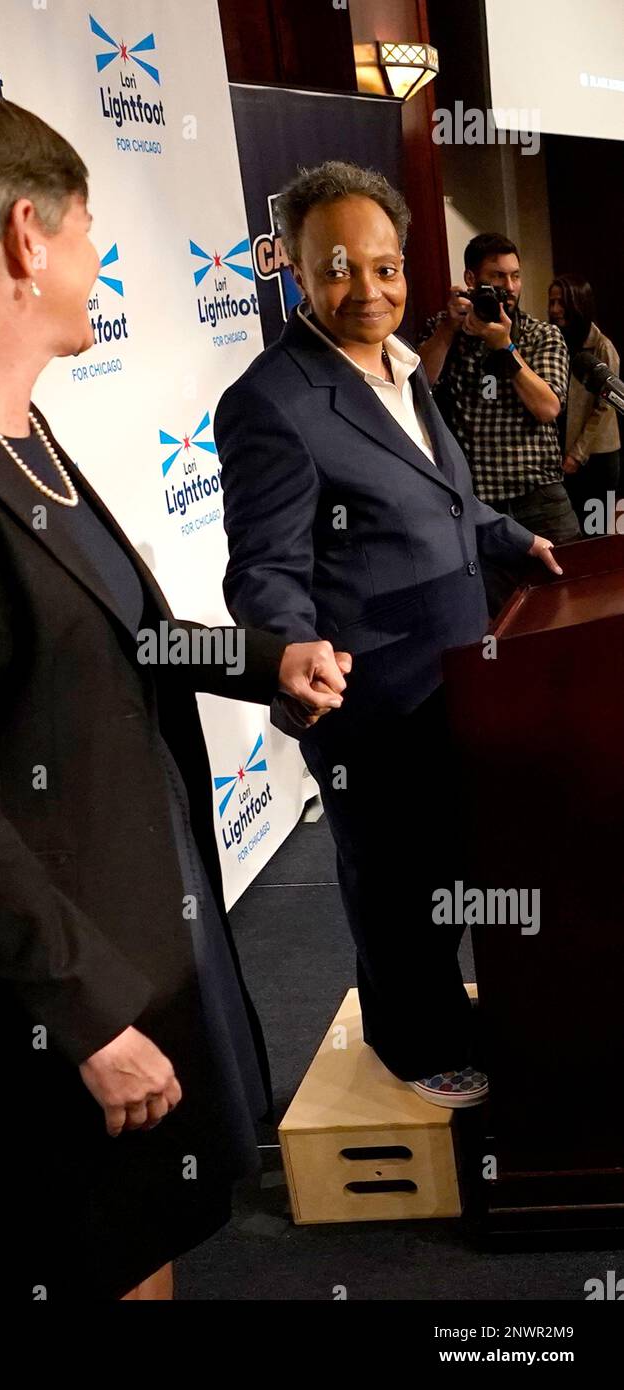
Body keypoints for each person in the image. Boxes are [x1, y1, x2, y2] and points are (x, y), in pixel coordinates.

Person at [0, 89, 348, 1302]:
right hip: (44, 997)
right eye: (90, 232)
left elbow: (123, 637)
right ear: (28, 240)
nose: (99, 265)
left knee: (143, 1248)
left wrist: (262, 662)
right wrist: (83, 1017)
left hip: (133, 928)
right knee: (89, 1266)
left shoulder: (7, 426)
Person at [214, 161, 561, 1109]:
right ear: (290, 267)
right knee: (399, 886)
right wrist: (286, 644)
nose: (368, 291)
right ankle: (412, 1043)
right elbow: (265, 566)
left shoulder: (403, 366)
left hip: (457, 676)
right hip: (369, 701)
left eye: (386, 267)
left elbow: (444, 501)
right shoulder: (272, 400)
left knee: (450, 863)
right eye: (338, 270)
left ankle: (442, 1012)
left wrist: (510, 535)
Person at [418, 232, 580, 615]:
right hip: (480, 505)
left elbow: (547, 408)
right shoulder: (445, 330)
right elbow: (416, 386)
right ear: (471, 280)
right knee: (494, 619)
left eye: (516, 276)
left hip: (541, 497)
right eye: (498, 276)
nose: (509, 287)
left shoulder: (542, 334)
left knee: (570, 604)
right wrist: (447, 329)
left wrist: (504, 347)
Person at [548, 273, 621, 533]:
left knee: (598, 531)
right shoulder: (553, 342)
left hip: (596, 458)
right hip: (564, 457)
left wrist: (578, 454)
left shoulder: (602, 347)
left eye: (562, 303)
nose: (555, 309)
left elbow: (605, 408)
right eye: (552, 302)